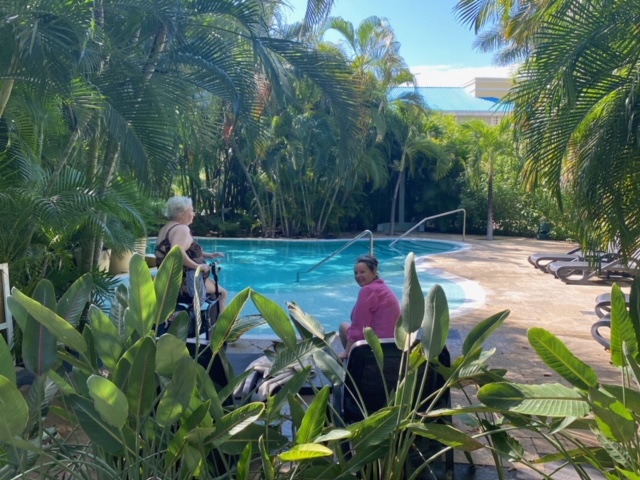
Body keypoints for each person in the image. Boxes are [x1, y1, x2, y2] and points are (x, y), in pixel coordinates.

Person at [155, 196, 227, 311]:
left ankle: (197, 319)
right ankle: (220, 328)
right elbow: (177, 253)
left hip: (169, 283)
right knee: (222, 293)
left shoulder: (166, 228)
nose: (193, 214)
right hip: (185, 285)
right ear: (182, 213)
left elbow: (185, 250)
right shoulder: (182, 229)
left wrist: (209, 255)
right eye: (191, 210)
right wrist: (198, 266)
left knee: (215, 291)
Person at [338, 254, 400, 359]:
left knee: (343, 326)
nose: (358, 276)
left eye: (362, 272)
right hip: (393, 345)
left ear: (374, 272)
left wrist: (346, 352)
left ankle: (350, 363)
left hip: (376, 346)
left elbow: (357, 328)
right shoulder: (381, 287)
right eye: (355, 273)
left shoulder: (368, 290)